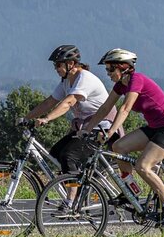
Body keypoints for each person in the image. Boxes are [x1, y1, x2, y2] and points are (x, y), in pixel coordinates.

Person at [79, 48, 164, 220]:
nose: (108, 73)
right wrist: (87, 129)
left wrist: (110, 131)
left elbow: (125, 108)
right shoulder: (121, 84)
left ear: (124, 67)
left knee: (143, 166)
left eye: (110, 69)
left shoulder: (136, 80)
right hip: (155, 127)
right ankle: (130, 190)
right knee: (118, 147)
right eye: (107, 69)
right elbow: (105, 108)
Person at [23, 45, 117, 174]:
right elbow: (49, 102)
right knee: (56, 153)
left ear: (71, 64)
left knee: (69, 156)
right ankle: (79, 182)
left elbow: (68, 102)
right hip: (85, 128)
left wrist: (46, 118)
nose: (56, 69)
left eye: (58, 65)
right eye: (55, 66)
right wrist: (26, 118)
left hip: (100, 127)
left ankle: (73, 193)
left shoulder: (85, 78)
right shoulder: (66, 81)